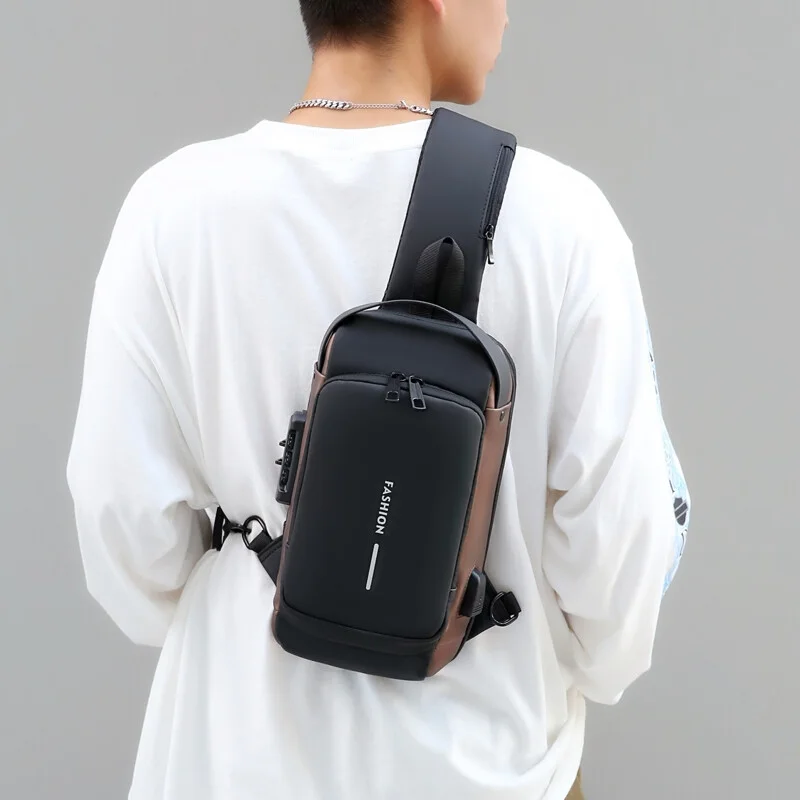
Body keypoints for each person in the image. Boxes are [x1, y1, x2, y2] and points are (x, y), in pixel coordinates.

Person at [66, 1, 690, 799]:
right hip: (487, 772)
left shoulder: (169, 208)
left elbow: (125, 531)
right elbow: (617, 575)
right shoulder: (566, 222)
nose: (506, 12)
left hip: (226, 764)